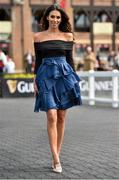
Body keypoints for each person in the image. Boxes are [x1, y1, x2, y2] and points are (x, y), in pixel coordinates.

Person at [33, 3, 82, 173]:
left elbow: (70, 60)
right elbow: (38, 61)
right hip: (45, 75)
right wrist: (35, 79)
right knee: (52, 116)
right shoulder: (38, 37)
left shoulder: (68, 36)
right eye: (52, 16)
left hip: (64, 76)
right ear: (47, 17)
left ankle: (56, 154)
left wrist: (74, 80)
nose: (55, 19)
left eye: (58, 17)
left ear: (61, 19)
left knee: (61, 116)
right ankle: (55, 158)